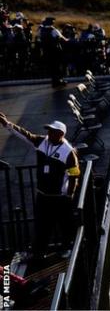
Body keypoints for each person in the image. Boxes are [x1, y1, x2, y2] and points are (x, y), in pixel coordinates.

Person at [0, 113, 80, 265]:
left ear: (61, 134)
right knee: (42, 224)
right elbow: (25, 135)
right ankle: (38, 253)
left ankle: (66, 248)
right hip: (42, 195)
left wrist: (69, 194)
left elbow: (74, 174)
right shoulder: (43, 142)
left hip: (59, 196)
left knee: (64, 223)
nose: (49, 133)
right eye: (49, 130)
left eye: (52, 131)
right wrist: (7, 124)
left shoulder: (68, 152)